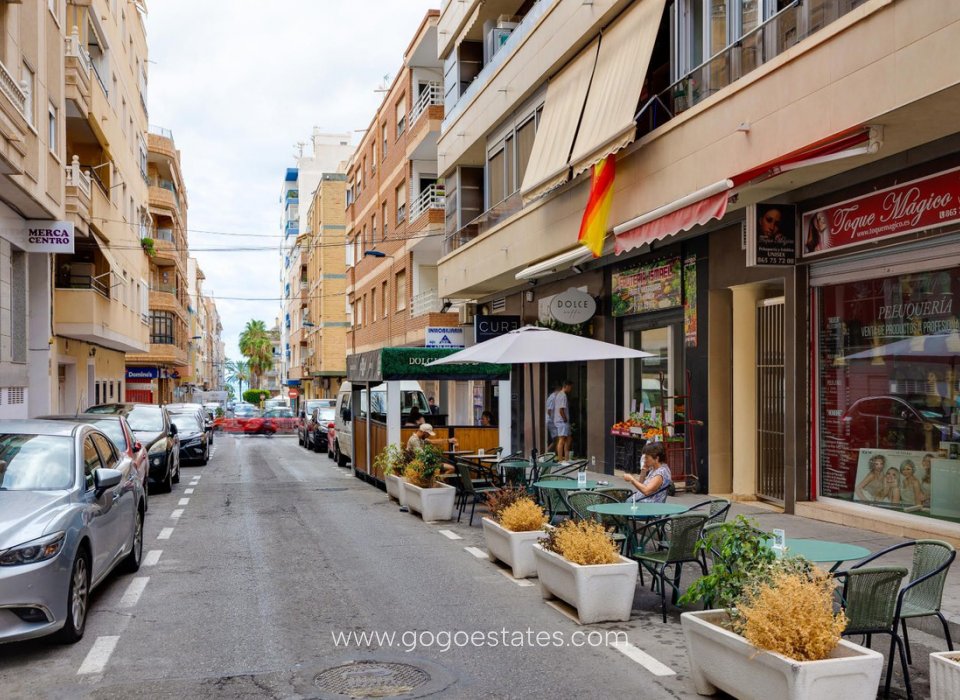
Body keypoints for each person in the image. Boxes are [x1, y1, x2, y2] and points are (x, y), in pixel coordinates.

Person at [554, 380, 573, 461]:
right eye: (571, 387)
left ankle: (566, 458)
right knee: (562, 440)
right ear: (567, 386)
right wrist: (565, 419)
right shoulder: (563, 395)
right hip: (562, 421)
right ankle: (561, 460)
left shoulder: (559, 395)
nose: (571, 389)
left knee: (569, 438)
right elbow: (561, 409)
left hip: (562, 421)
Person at [545, 382, 560, 452]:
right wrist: (553, 420)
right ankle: (545, 454)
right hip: (551, 421)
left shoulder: (553, 397)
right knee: (557, 439)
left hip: (551, 421)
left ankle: (550, 454)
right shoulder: (553, 397)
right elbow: (549, 410)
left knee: (557, 439)